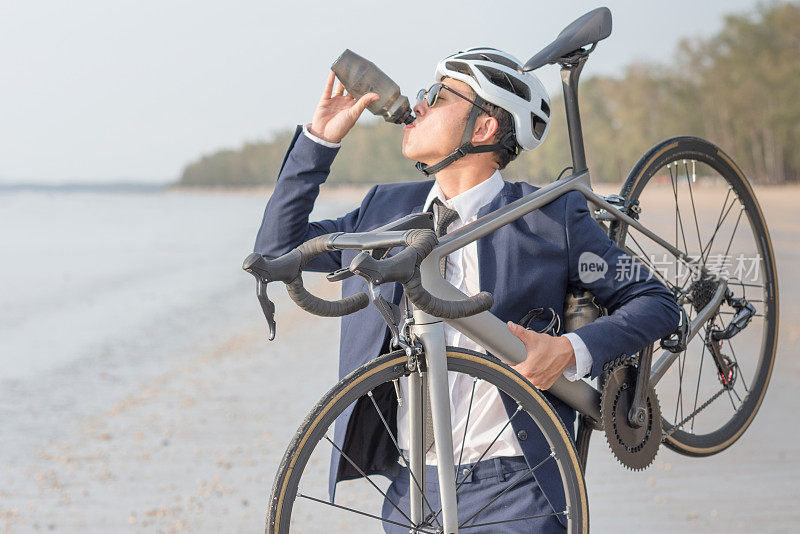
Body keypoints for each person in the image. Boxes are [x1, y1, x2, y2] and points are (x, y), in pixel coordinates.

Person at [254, 48, 681, 533]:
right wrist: (319, 142)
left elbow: (656, 302)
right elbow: (277, 251)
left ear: (483, 129)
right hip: (413, 486)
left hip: (515, 484)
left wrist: (567, 351)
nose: (417, 105)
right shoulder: (384, 208)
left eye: (436, 96)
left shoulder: (548, 216)